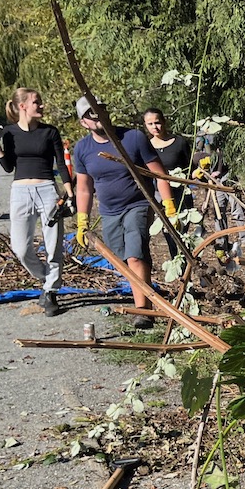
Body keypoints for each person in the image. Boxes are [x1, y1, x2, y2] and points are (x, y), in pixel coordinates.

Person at [72, 95, 177, 329]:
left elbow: (159, 174)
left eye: (100, 108)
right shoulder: (82, 149)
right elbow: (84, 188)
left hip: (138, 204)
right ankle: (145, 298)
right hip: (109, 212)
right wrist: (82, 221)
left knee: (135, 255)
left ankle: (143, 312)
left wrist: (169, 205)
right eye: (91, 113)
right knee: (124, 260)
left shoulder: (132, 138)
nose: (97, 114)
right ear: (83, 122)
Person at [0, 88, 75, 317]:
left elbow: (61, 164)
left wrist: (68, 192)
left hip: (48, 191)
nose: (41, 105)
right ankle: (46, 277)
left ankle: (50, 292)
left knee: (53, 245)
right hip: (20, 192)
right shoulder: (9, 133)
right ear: (23, 106)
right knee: (20, 248)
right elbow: (9, 167)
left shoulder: (50, 132)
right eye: (36, 102)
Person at [143, 107, 193, 258]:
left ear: (164, 122)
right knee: (168, 232)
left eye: (157, 122)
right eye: (150, 124)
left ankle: (187, 263)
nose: (155, 127)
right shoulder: (146, 146)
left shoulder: (179, 143)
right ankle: (177, 262)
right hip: (159, 196)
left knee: (182, 231)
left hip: (180, 194)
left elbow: (189, 167)